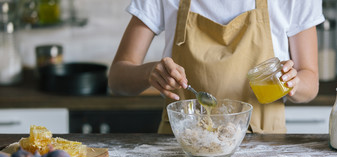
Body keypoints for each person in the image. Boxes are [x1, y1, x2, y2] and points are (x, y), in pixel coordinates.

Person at [108, 0, 324, 134]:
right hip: (181, 149)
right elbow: (117, 78)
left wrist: (293, 83)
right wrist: (149, 72)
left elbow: (310, 82)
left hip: (264, 147)